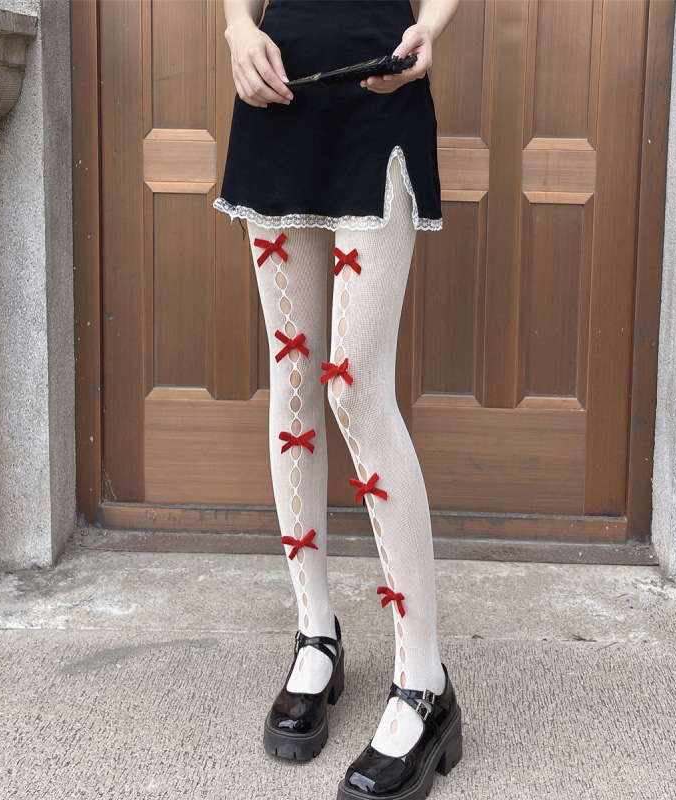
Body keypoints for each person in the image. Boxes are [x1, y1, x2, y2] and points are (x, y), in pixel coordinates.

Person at [215, 1, 461, 798]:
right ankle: (316, 634)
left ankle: (425, 683)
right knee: (294, 376)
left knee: (354, 387)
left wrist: (434, 27)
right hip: (275, 97)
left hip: (378, 96)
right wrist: (237, 28)